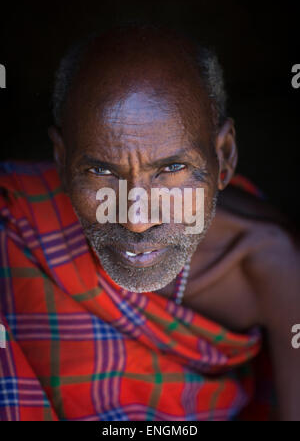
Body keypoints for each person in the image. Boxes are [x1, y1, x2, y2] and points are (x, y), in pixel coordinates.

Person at [0, 24, 299, 421]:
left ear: (224, 157)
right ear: (61, 160)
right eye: (100, 171)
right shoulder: (14, 215)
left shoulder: (273, 265)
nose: (137, 220)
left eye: (173, 169)